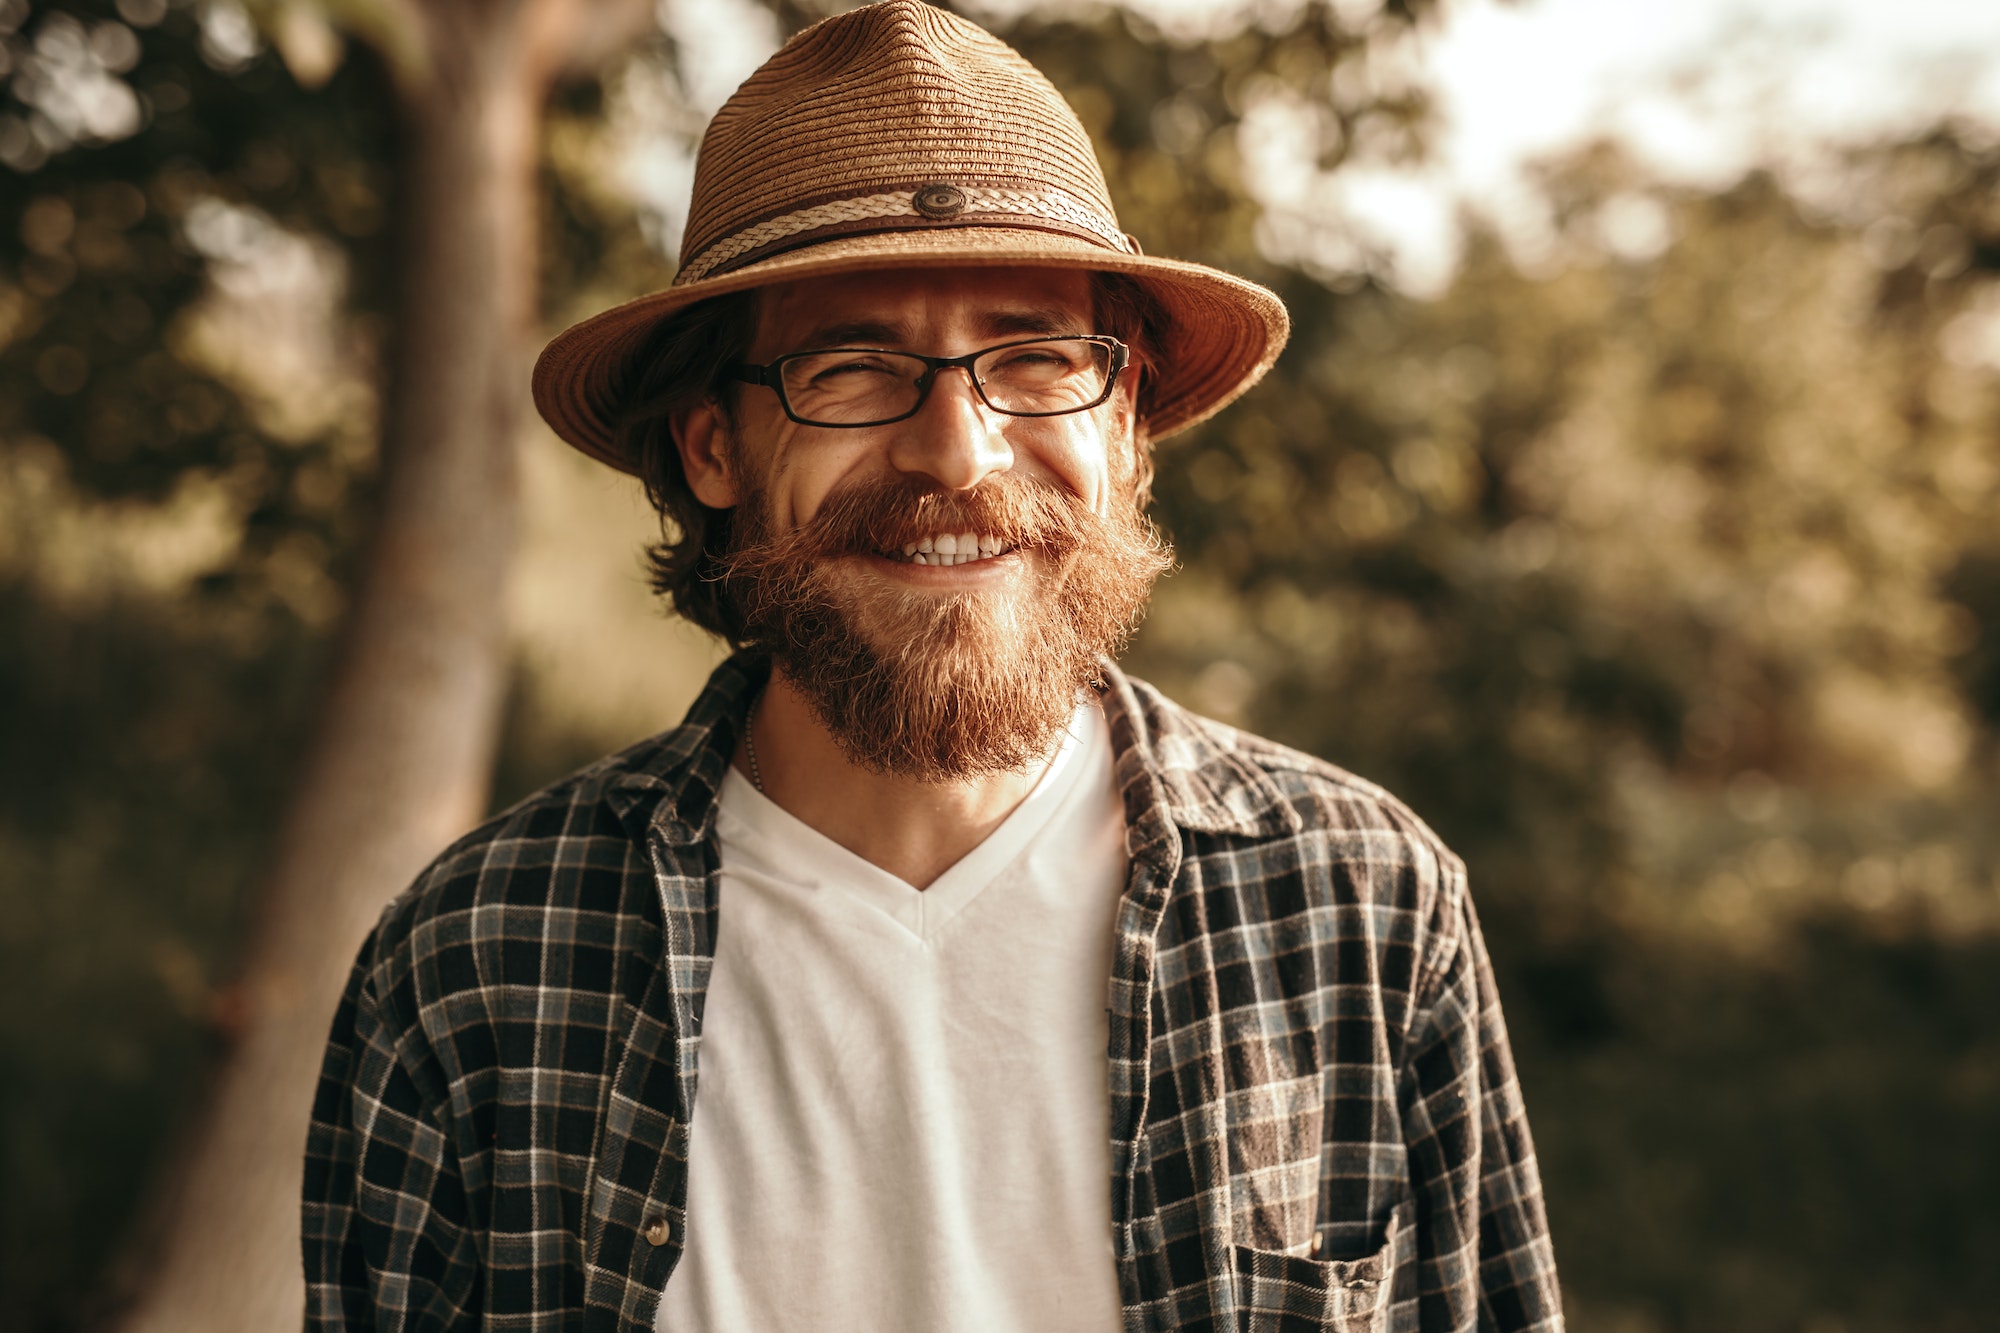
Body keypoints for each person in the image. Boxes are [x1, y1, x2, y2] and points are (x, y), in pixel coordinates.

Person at [301, 3, 1563, 1330]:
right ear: (712, 447)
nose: (958, 452)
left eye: (1034, 359)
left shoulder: (1362, 907)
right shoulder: (478, 959)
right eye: (851, 368)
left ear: (1124, 424)